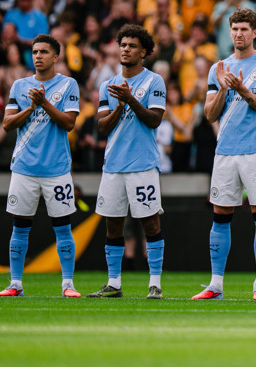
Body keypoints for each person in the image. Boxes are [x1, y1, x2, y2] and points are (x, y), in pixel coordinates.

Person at [193, 8, 256, 301]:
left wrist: (241, 88)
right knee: (220, 215)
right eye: (234, 29)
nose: (238, 34)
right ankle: (215, 285)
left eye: (244, 29)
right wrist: (222, 88)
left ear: (254, 33)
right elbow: (210, 114)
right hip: (225, 151)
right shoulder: (218, 67)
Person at [88, 25, 167, 299]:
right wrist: (120, 105)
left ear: (143, 51)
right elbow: (102, 127)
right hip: (112, 166)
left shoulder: (154, 81)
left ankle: (154, 283)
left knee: (150, 224)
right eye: (122, 45)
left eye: (132, 46)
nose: (125, 49)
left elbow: (154, 119)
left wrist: (130, 98)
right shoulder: (106, 85)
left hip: (143, 164)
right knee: (113, 225)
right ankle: (114, 283)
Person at [1, 35, 81, 297]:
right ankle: (15, 284)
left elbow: (69, 123)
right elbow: (8, 124)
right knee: (20, 226)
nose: (38, 56)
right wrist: (31, 107)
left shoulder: (68, 85)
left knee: (63, 226)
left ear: (56, 56)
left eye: (44, 52)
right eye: (35, 51)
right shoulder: (19, 86)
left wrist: (44, 103)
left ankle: (68, 284)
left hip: (56, 169)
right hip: (24, 167)